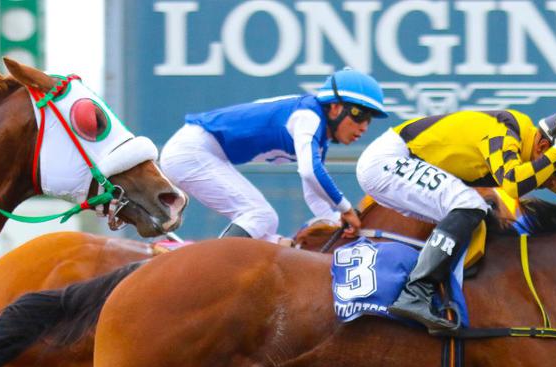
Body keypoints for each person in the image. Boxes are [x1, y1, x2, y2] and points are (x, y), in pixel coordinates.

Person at [356, 102, 556, 332]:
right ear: (542, 144)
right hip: (388, 159)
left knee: (474, 211)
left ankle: (436, 295)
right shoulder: (504, 130)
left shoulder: (538, 151)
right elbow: (512, 184)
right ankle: (416, 293)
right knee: (469, 205)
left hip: (404, 165)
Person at [160, 68, 387, 245]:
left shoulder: (318, 135)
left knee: (267, 227)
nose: (364, 127)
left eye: (370, 119)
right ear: (336, 108)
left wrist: (336, 223)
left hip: (201, 152)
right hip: (192, 151)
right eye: (360, 115)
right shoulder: (308, 117)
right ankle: (212, 269)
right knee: (259, 215)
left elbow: (314, 192)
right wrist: (346, 209)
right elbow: (310, 172)